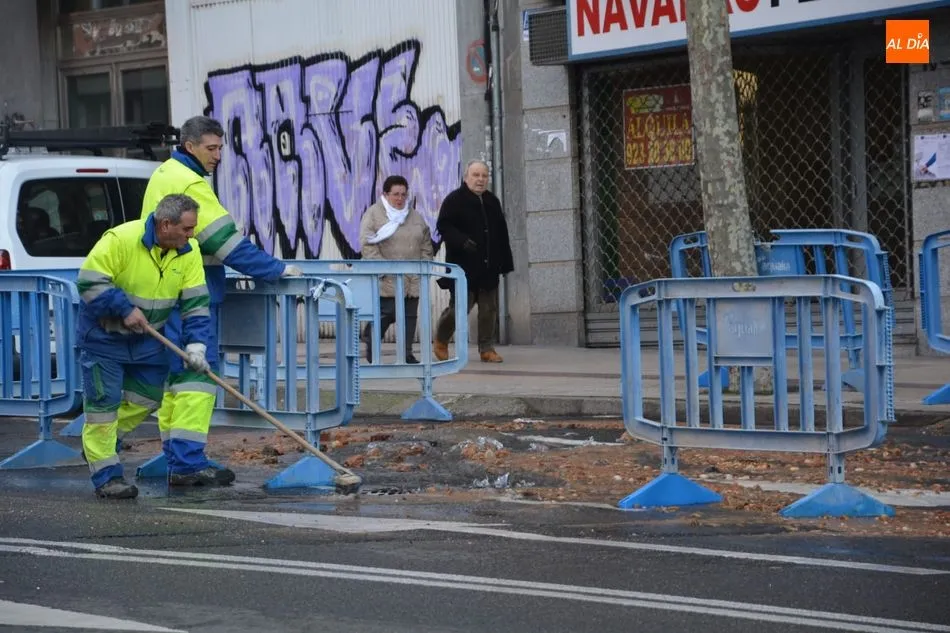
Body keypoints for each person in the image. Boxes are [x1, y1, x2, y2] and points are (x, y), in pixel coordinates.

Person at [141, 115, 302, 487]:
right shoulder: (190, 182)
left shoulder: (164, 173)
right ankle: (187, 463)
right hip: (192, 290)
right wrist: (276, 269)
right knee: (196, 381)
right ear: (190, 146)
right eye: (211, 148)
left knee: (177, 382)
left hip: (167, 289)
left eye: (219, 148)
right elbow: (224, 242)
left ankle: (177, 457)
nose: (217, 156)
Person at [76, 194, 211, 500]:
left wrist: (197, 346)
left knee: (148, 398)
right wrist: (123, 308)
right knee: (103, 408)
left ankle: (98, 445)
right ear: (166, 224)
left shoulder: (188, 252)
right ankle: (107, 477)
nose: (191, 235)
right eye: (187, 228)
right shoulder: (121, 239)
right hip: (104, 339)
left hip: (148, 342)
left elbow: (197, 305)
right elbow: (89, 281)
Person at [434, 160, 513, 363]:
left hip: (488, 267)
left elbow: (502, 233)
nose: (480, 180)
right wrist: (461, 241)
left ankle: (486, 348)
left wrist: (505, 262)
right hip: (464, 267)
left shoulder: (492, 201)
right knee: (460, 308)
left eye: (484, 176)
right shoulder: (454, 200)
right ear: (466, 177)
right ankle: (441, 340)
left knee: (489, 309)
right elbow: (443, 226)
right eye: (476, 175)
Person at [359, 175, 434, 364]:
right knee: (389, 312)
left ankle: (406, 353)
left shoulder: (414, 215)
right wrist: (382, 267)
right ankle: (371, 339)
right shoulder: (374, 214)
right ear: (385, 194)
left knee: (409, 316)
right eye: (395, 194)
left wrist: (425, 263)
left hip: (413, 277)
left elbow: (425, 241)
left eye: (403, 194)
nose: (400, 198)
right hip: (388, 277)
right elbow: (367, 243)